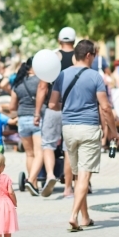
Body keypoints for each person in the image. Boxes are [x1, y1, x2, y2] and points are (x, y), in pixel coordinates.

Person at [49, 39, 118, 231]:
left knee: (79, 175)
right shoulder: (95, 77)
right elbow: (105, 107)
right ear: (89, 55)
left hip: (68, 129)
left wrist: (71, 107)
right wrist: (112, 131)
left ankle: (85, 217)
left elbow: (53, 104)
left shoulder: (62, 75)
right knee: (85, 177)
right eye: (94, 55)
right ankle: (73, 216)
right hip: (88, 128)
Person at [34, 27, 77, 197]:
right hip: (72, 108)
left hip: (53, 107)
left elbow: (42, 86)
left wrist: (37, 112)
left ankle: (50, 174)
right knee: (69, 149)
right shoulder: (78, 58)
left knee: (48, 144)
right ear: (73, 41)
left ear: (59, 40)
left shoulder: (54, 58)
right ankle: (68, 188)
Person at [10, 58, 45, 196]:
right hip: (37, 119)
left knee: (29, 154)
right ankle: (31, 180)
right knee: (39, 153)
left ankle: (34, 184)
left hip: (22, 120)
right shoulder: (40, 81)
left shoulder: (18, 83)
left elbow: (12, 106)